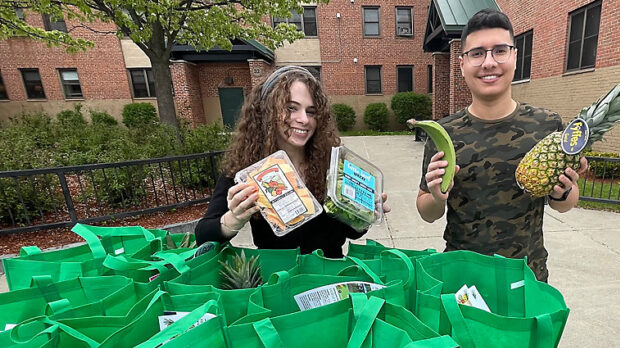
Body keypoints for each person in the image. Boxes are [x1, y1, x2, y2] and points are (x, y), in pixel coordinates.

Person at [416, 9, 588, 282]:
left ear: (515, 57)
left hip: (525, 278)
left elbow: (565, 204)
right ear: (462, 64)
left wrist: (562, 192)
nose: (488, 62)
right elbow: (427, 211)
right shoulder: (444, 133)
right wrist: (437, 195)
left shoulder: (547, 125)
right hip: (461, 279)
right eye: (477, 53)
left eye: (499, 51)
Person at [195, 66, 388, 257]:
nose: (304, 119)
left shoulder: (332, 164)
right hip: (278, 280)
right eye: (291, 108)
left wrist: (364, 213)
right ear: (267, 110)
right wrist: (233, 220)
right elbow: (203, 234)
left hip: (330, 275)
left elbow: (352, 232)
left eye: (311, 111)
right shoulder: (246, 168)